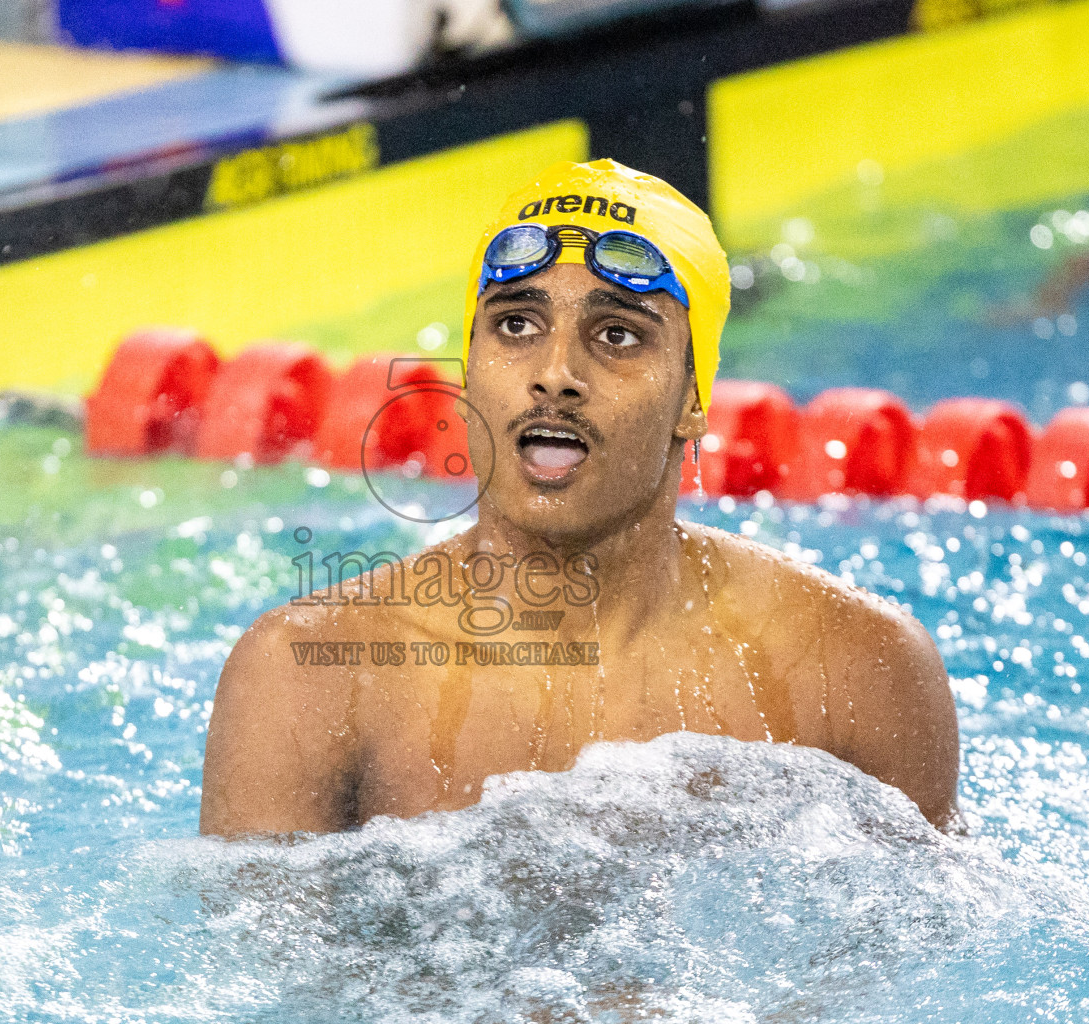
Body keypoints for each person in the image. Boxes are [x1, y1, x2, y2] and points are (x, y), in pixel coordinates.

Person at [200, 159, 960, 836]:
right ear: (468, 372)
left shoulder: (858, 669)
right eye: (517, 325)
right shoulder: (311, 675)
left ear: (694, 398)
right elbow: (263, 987)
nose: (555, 371)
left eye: (618, 335)